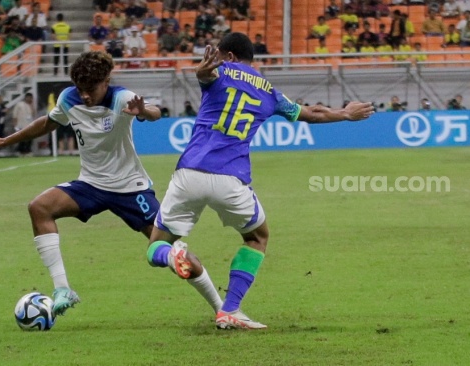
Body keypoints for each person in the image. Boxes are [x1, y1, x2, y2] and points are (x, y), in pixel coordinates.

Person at [145, 32, 374, 330]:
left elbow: (204, 74)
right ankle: (231, 309)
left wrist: (203, 70)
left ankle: (172, 255)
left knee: (154, 250)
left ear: (227, 55)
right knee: (257, 237)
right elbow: (312, 114)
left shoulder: (219, 72)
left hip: (188, 173)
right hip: (231, 178)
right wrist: (344, 113)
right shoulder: (269, 91)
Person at [0, 51, 222, 317]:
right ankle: (63, 290)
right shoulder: (69, 98)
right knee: (39, 207)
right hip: (90, 185)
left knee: (167, 250)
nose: (85, 96)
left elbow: (155, 112)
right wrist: (4, 141)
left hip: (130, 188)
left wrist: (143, 112)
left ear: (106, 81)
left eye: (90, 89)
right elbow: (48, 122)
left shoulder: (121, 98)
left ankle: (222, 308)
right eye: (81, 89)